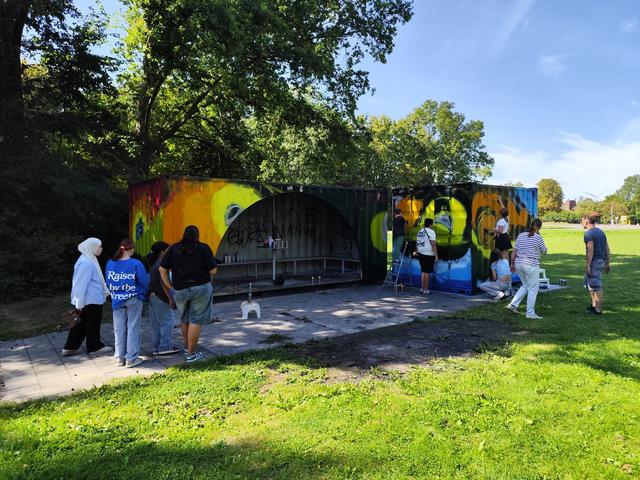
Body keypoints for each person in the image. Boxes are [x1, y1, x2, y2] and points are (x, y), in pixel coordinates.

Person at [160, 225, 217, 363]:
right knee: (196, 320)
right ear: (197, 236)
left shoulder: (174, 248)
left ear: (184, 235)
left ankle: (187, 348)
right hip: (201, 288)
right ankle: (191, 354)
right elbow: (213, 270)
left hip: (180, 289)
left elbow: (162, 269)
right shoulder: (204, 248)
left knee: (184, 319)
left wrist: (170, 286)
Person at [62, 238, 113, 356]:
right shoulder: (87, 262)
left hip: (88, 299)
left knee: (80, 324)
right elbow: (80, 284)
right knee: (92, 323)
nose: (101, 249)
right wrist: (79, 303)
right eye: (99, 246)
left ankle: (70, 347)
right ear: (92, 247)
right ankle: (94, 347)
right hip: (91, 300)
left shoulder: (87, 259)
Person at [106, 238, 149, 368]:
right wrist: (142, 293)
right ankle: (131, 358)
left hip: (117, 299)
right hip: (134, 298)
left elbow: (108, 281)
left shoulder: (110, 263)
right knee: (133, 328)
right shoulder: (136, 263)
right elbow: (144, 281)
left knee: (119, 330)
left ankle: (119, 358)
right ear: (131, 249)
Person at [506, 218, 547, 319]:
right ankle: (530, 313)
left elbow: (514, 251)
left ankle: (513, 304)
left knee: (525, 285)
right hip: (531, 265)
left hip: (518, 263)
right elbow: (545, 251)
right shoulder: (538, 237)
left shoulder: (521, 235)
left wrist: (512, 264)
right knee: (533, 288)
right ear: (539, 227)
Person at [147, 241, 180, 355]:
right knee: (168, 322)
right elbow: (163, 284)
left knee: (155, 324)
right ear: (162, 252)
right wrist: (171, 298)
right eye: (168, 250)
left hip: (152, 296)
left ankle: (156, 347)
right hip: (160, 296)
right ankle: (165, 346)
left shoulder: (153, 263)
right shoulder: (161, 265)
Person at [582, 214, 611, 315]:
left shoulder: (588, 234)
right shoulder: (601, 232)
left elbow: (590, 250)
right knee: (588, 282)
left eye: (582, 221)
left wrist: (588, 265)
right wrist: (607, 262)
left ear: (586, 222)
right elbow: (607, 248)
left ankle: (598, 310)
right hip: (601, 261)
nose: (581, 223)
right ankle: (594, 305)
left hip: (594, 262)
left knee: (597, 285)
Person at [413, 218, 438, 294]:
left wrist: (417, 251)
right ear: (430, 224)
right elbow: (433, 244)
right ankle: (426, 289)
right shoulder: (431, 232)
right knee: (427, 272)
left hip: (421, 253)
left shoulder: (420, 231)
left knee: (423, 271)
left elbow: (417, 243)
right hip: (428, 254)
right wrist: (436, 256)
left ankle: (422, 288)